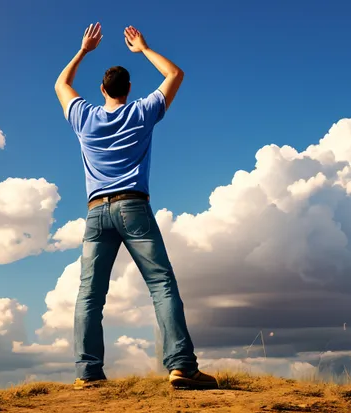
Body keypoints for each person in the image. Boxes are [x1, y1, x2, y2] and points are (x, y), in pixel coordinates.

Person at [54, 23, 218, 390]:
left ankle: (88, 373)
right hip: (133, 207)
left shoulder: (84, 116)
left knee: (90, 295)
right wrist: (143, 48)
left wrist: (83, 51)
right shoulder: (142, 112)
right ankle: (182, 367)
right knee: (161, 285)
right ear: (129, 89)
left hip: (96, 212)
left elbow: (60, 85)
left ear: (102, 89)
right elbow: (175, 74)